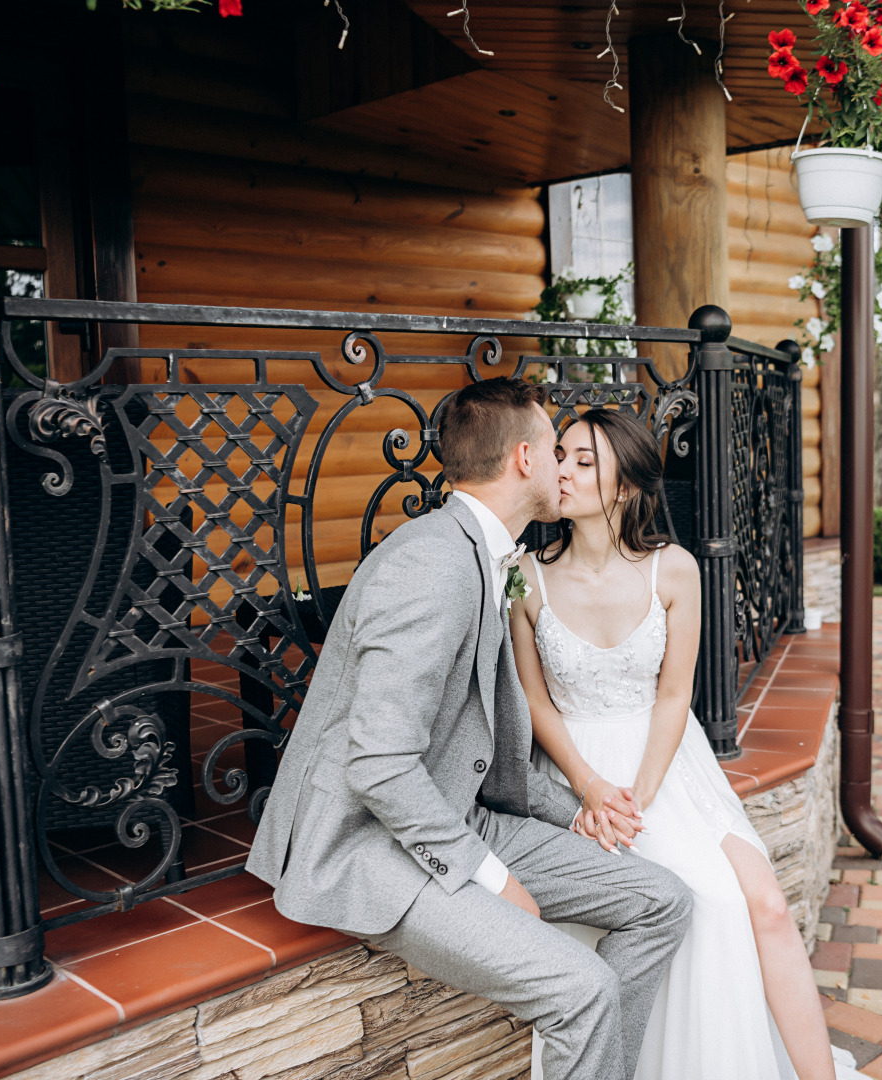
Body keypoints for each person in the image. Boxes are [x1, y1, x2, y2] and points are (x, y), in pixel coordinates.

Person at [246, 379, 693, 1080]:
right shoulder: (431, 565)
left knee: (662, 901)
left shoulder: (488, 556)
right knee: (583, 989)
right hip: (368, 844)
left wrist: (576, 811)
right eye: (556, 451)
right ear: (523, 458)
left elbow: (479, 744)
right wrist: (485, 874)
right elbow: (379, 767)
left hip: (456, 811)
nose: (563, 468)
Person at [514, 408, 848, 1080]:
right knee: (697, 906)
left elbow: (674, 696)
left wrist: (638, 796)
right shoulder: (524, 575)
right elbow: (533, 702)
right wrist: (588, 788)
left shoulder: (674, 570)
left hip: (665, 763)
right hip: (577, 770)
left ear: (625, 488)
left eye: (585, 461)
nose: (564, 471)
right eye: (563, 456)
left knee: (766, 905)